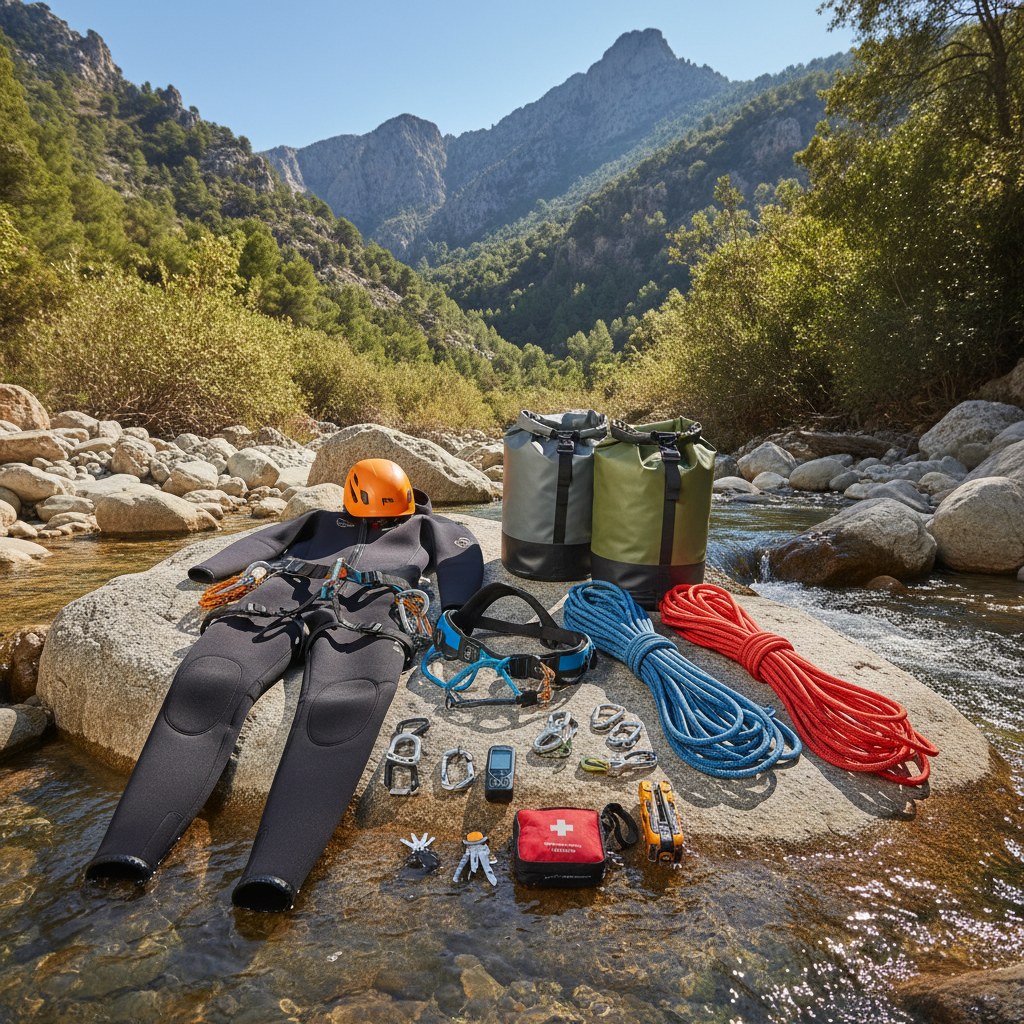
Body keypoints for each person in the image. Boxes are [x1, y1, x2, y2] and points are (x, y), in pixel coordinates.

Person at [86, 459, 483, 912]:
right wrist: (214, 568)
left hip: (371, 613)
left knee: (340, 710)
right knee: (206, 681)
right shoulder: (319, 520)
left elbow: (461, 555)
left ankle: (274, 873)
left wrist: (456, 608)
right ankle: (129, 848)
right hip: (278, 598)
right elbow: (266, 539)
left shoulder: (428, 525)